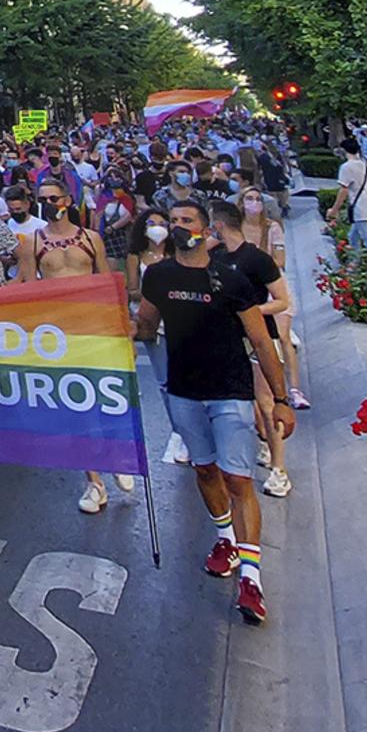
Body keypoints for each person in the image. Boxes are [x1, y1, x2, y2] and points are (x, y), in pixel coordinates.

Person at [136, 200, 295, 625]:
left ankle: (251, 577)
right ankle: (225, 537)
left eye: (187, 221)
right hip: (184, 393)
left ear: (207, 230)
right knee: (205, 471)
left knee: (238, 479)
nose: (178, 226)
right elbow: (146, 326)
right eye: (173, 221)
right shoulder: (159, 275)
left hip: (230, 392)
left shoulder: (232, 277)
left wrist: (281, 399)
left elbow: (262, 342)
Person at [18, 180, 128, 512]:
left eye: (54, 197)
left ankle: (116, 456)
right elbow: (27, 288)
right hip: (59, 333)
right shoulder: (32, 241)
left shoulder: (90, 238)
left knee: (107, 399)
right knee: (77, 405)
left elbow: (107, 282)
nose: (50, 203)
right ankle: (93, 481)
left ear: (68, 200)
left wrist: (121, 327)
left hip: (95, 327)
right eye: (43, 199)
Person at [211, 199, 296, 499]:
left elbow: (282, 300)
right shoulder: (216, 257)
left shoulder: (258, 259)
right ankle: (264, 441)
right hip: (228, 338)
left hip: (259, 336)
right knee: (247, 401)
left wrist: (252, 311)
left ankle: (280, 469)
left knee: (266, 401)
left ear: (219, 224)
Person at [126, 209, 188, 466]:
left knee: (183, 376)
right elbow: (131, 290)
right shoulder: (135, 256)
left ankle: (189, 428)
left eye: (164, 224)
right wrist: (153, 296)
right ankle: (178, 430)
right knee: (165, 381)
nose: (158, 228)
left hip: (179, 319)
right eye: (153, 224)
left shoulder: (177, 254)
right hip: (152, 322)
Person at [330, 137, 367, 258]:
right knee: (353, 237)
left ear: (344, 151)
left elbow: (343, 190)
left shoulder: (346, 167)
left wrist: (334, 210)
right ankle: (354, 265)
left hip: (360, 210)